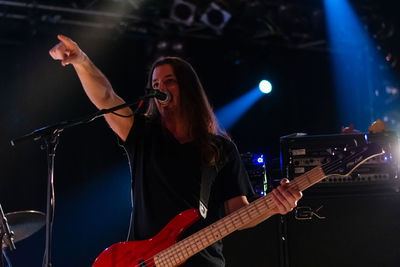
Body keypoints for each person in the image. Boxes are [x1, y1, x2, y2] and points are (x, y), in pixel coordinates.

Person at [49, 34, 302, 266]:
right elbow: (106, 97)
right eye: (156, 83)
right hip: (145, 260)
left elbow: (239, 212)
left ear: (188, 89)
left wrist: (275, 205)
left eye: (170, 81)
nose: (161, 88)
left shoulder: (220, 148)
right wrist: (81, 60)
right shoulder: (142, 135)